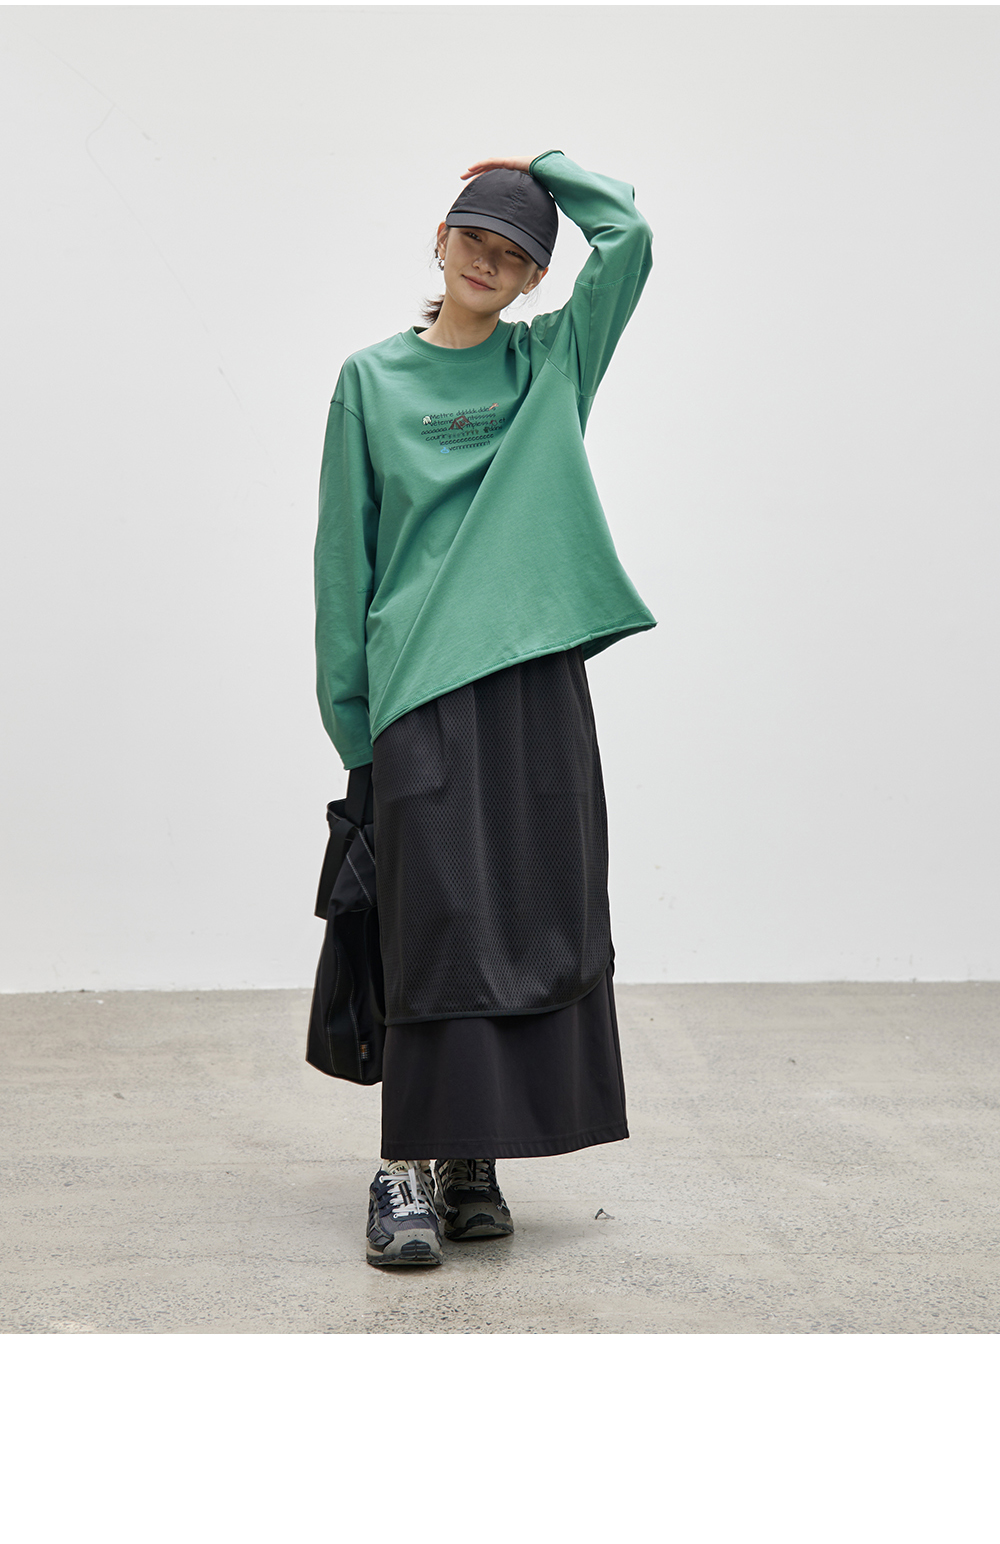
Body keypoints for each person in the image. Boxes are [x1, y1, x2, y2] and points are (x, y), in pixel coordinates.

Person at [314, 151, 656, 1267]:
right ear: (440, 239)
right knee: (433, 924)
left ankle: (473, 1159)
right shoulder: (371, 381)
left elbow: (630, 243)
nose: (488, 262)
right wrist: (354, 725)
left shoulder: (548, 364)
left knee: (529, 911)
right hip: (419, 687)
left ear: (534, 277)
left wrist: (541, 167)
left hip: (534, 681)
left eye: (514, 253)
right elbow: (345, 562)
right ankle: (403, 1168)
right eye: (473, 237)